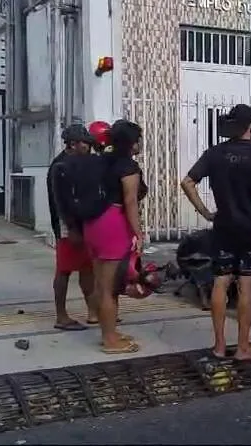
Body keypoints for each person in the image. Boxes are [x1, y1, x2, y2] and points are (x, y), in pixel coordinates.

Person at [180, 104, 251, 361]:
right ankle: (243, 347)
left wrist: (205, 212)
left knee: (220, 282)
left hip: (223, 227)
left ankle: (220, 346)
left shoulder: (214, 154)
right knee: (246, 285)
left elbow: (187, 182)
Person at [82, 119, 147, 354]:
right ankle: (110, 340)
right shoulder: (128, 167)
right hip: (113, 223)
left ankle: (109, 332)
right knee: (109, 289)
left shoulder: (100, 161)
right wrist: (138, 233)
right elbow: (130, 202)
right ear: (132, 143)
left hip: (93, 223)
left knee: (102, 285)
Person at [46, 124, 98, 331]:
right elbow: (60, 201)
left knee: (87, 268)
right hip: (68, 226)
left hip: (81, 224)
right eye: (85, 143)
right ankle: (61, 316)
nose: (88, 147)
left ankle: (93, 311)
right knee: (64, 270)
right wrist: (71, 228)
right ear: (73, 144)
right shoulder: (61, 166)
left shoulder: (77, 162)